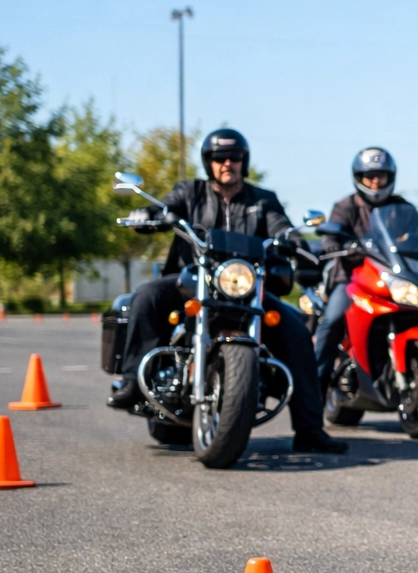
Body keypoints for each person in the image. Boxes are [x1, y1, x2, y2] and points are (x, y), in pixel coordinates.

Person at [107, 128, 346, 453]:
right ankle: (133, 381)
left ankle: (309, 429)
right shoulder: (189, 191)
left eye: (234, 158)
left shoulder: (263, 200)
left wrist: (294, 240)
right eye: (219, 158)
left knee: (297, 332)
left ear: (244, 162)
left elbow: (280, 226)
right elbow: (167, 207)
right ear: (209, 162)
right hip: (190, 281)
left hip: (246, 286)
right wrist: (149, 215)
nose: (227, 163)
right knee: (146, 296)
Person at [312, 147, 418, 435]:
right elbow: (331, 237)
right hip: (352, 277)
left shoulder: (403, 208)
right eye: (370, 176)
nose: (376, 181)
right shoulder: (345, 206)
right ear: (358, 177)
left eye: (382, 176)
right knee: (332, 320)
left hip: (395, 277)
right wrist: (338, 245)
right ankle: (311, 402)